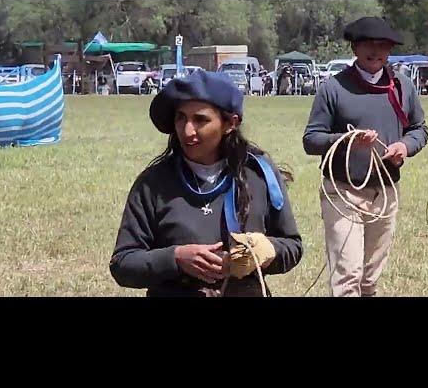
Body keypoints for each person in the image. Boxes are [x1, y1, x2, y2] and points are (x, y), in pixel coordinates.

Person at [110, 70, 303, 297]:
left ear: (230, 123)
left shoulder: (260, 176)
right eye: (181, 118)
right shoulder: (153, 184)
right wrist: (175, 258)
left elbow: (293, 247)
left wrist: (263, 252)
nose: (187, 130)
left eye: (200, 120)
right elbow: (122, 264)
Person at [302, 16, 428, 297]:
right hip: (342, 192)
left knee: (370, 280)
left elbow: (419, 129)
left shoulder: (403, 86)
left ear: (390, 50)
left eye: (382, 45)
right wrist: (347, 141)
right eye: (367, 44)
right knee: (348, 276)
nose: (375, 50)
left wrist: (405, 147)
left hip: (385, 193)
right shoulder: (333, 88)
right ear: (355, 48)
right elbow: (311, 139)